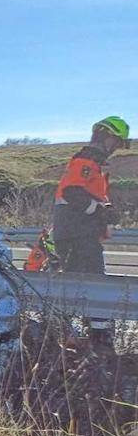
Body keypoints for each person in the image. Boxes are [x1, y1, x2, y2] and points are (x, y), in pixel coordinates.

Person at [51, 115, 129, 348]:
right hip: (76, 234)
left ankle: (82, 335)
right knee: (92, 284)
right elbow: (72, 192)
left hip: (78, 233)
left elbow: (88, 194)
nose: (117, 148)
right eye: (117, 141)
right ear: (106, 137)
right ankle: (98, 339)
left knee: (82, 284)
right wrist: (98, 210)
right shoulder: (87, 160)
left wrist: (105, 210)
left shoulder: (95, 162)